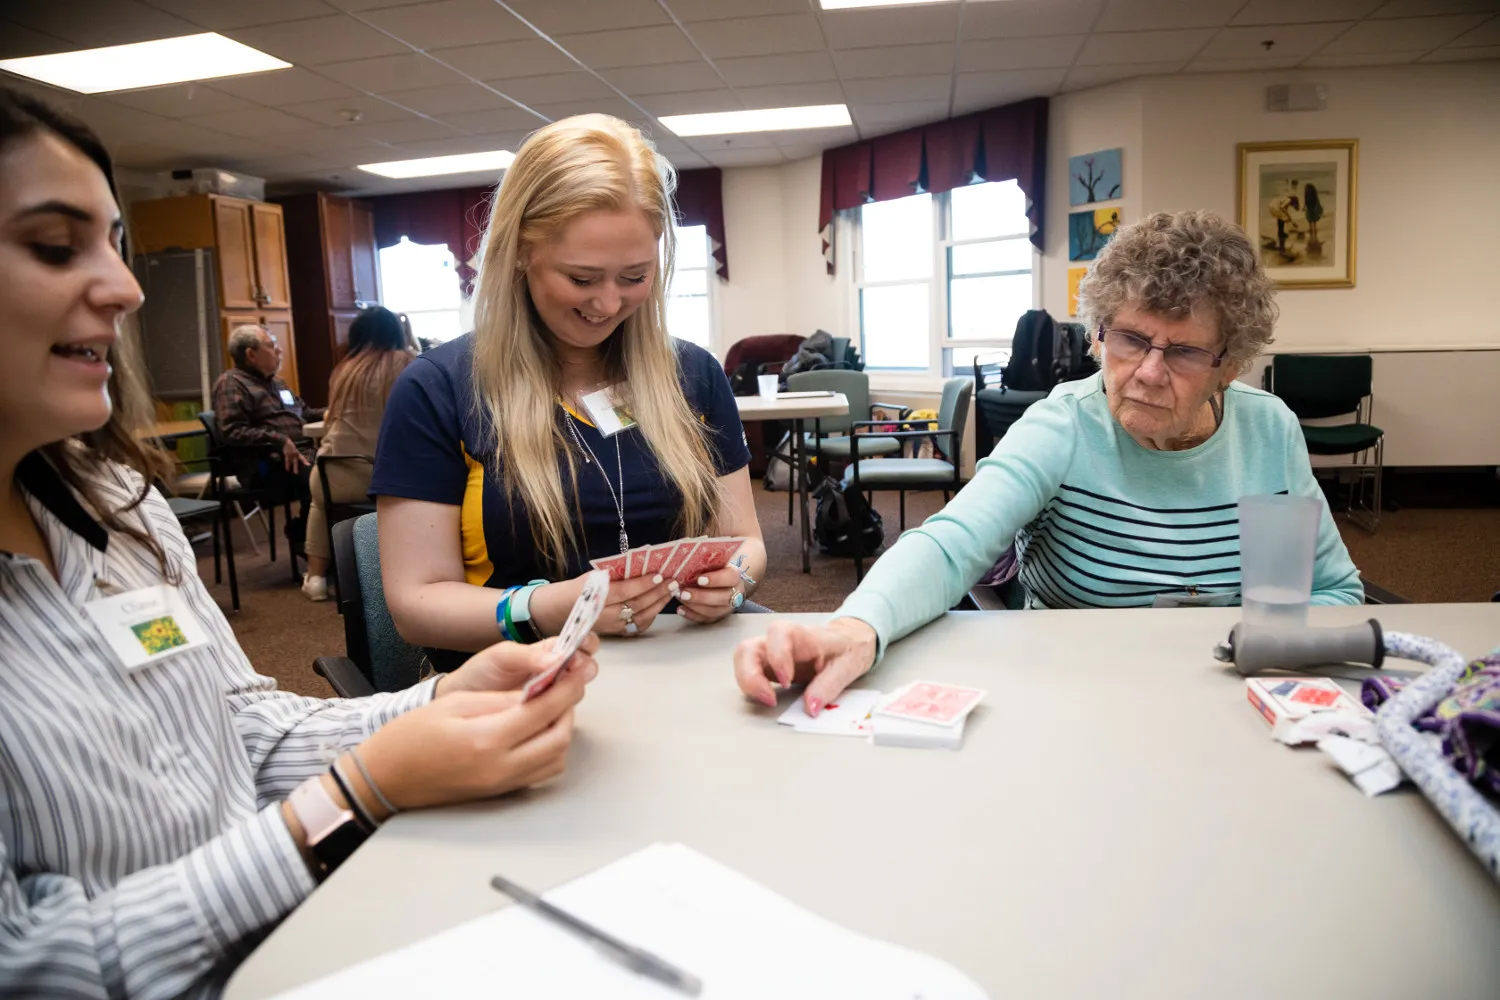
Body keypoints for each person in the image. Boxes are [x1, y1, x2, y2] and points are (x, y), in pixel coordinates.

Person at [0, 85, 595, 996]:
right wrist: (351, 798)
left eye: (114, 246)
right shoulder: (426, 382)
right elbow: (38, 967)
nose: (125, 287)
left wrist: (432, 703)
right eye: (53, 246)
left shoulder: (119, 509)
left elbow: (235, 727)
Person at [733, 211, 1363, 714]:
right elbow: (952, 544)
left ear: (1229, 363)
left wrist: (1265, 650)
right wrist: (857, 625)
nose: (1146, 372)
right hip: (1073, 700)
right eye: (1130, 339)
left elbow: (1336, 589)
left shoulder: (1269, 430)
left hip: (1225, 698)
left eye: (1184, 353)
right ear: (1099, 334)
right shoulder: (1064, 423)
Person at [373, 114, 766, 671]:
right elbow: (416, 605)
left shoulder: (694, 375)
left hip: (678, 666)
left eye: (634, 277)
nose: (607, 304)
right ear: (519, 253)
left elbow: (746, 539)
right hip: (520, 678)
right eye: (582, 279)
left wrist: (736, 580)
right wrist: (549, 608)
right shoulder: (438, 390)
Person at [301, 306, 414, 601]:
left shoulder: (343, 369)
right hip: (382, 474)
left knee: (320, 505)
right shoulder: (407, 364)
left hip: (331, 471)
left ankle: (315, 577)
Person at [211, 323, 324, 557]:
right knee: (320, 481)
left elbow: (306, 413)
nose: (280, 350)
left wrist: (336, 411)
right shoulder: (231, 384)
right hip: (263, 464)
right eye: (272, 346)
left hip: (300, 455)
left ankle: (316, 540)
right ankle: (307, 540)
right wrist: (278, 440)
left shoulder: (277, 382)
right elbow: (231, 432)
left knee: (338, 472)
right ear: (251, 354)